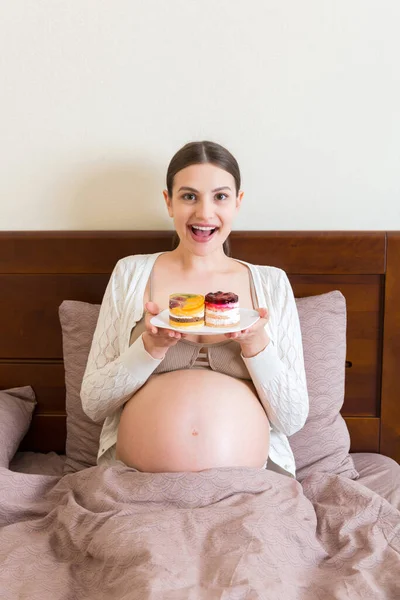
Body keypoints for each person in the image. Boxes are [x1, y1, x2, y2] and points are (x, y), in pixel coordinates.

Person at [80, 141, 309, 478]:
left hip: (248, 490)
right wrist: (149, 349)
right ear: (168, 202)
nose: (204, 214)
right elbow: (93, 404)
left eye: (220, 197)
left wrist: (255, 348)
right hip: (136, 486)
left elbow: (291, 419)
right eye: (189, 196)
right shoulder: (130, 274)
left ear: (237, 202)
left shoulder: (271, 284)